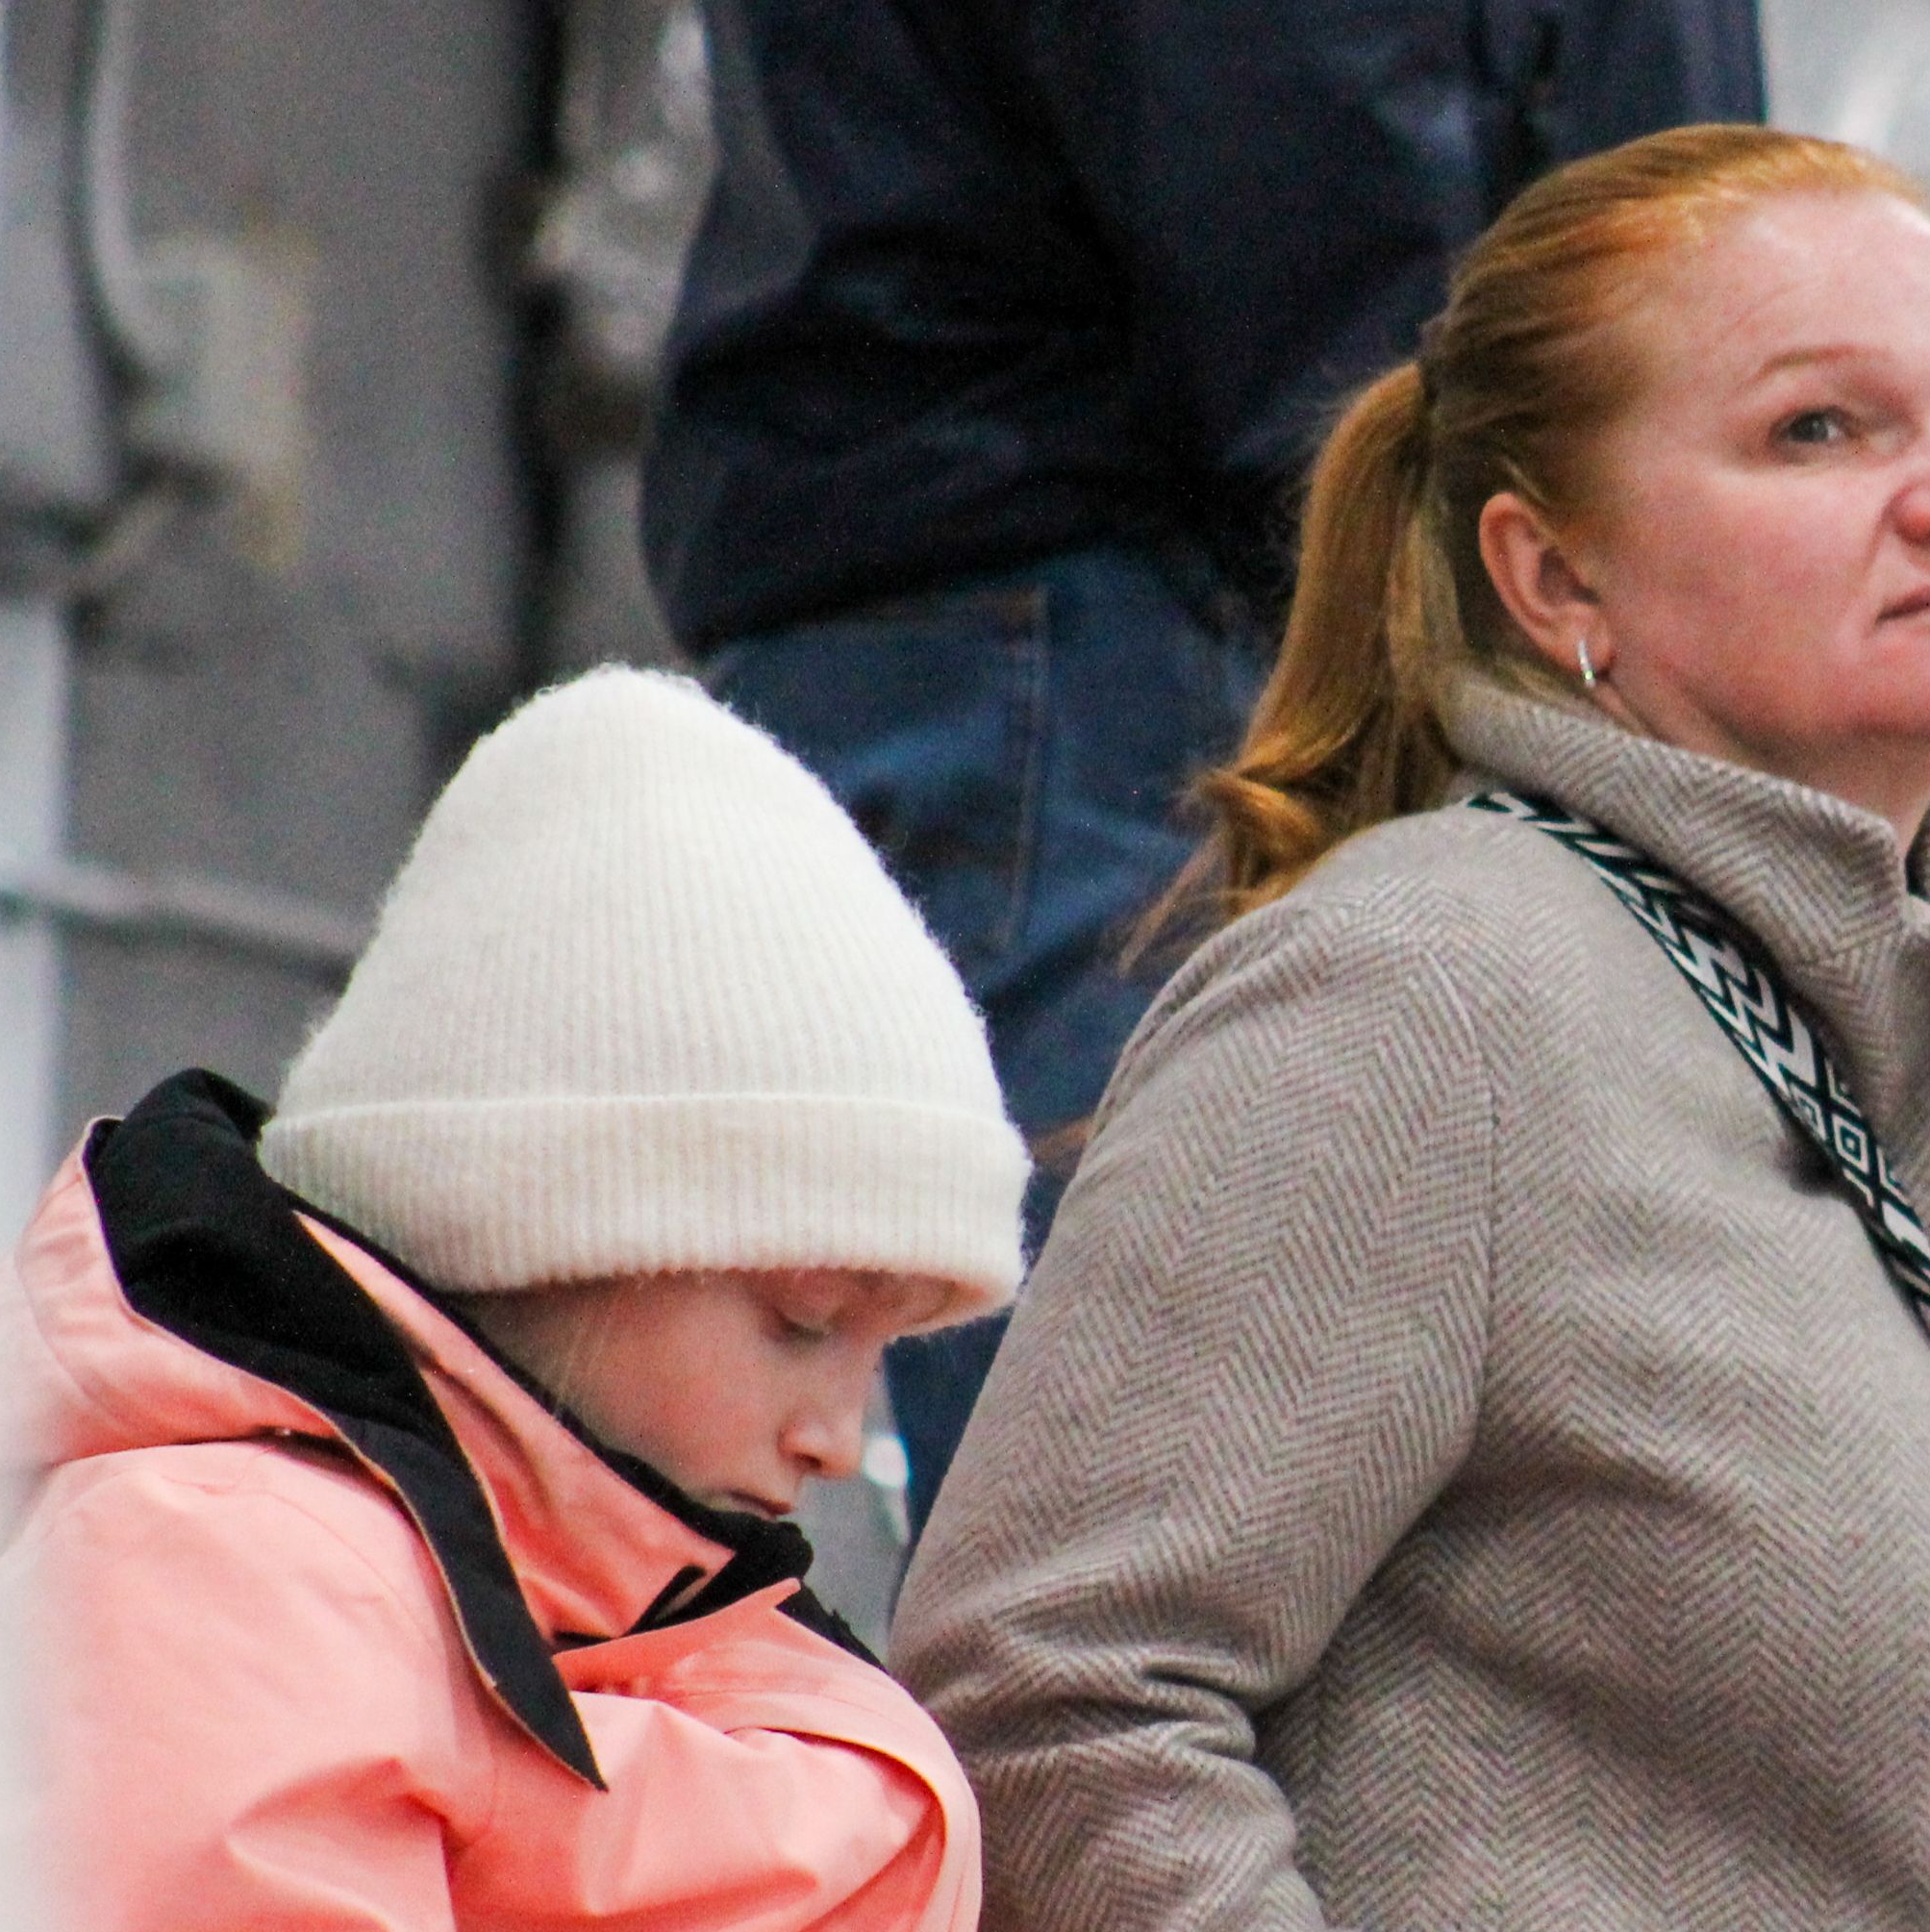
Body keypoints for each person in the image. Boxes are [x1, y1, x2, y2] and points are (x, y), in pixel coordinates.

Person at [894, 127, 1930, 1932]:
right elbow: (1045, 1703)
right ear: (1553, 576)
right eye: (1820, 430)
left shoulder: (1918, 1031)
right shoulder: (1434, 989)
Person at [0, 669, 1411, 1932]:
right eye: (804, 1321)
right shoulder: (228, 1563)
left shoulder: (662, 1605)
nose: (839, 1435)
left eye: (884, 1349)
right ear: (552, 1232)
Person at [641, 1, 1767, 1515]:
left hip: (1064, 564)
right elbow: (1293, 148)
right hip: (1141, 599)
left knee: (1163, 1485)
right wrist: (1539, 549)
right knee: (1161, 1502)